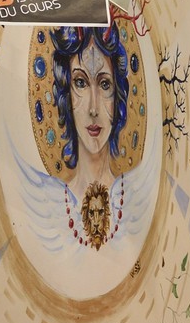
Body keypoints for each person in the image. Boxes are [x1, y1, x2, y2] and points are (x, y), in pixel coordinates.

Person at [51, 26, 133, 250]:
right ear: (66, 94)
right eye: (80, 83)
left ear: (118, 97)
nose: (93, 109)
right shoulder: (52, 203)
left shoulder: (134, 191)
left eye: (105, 84)